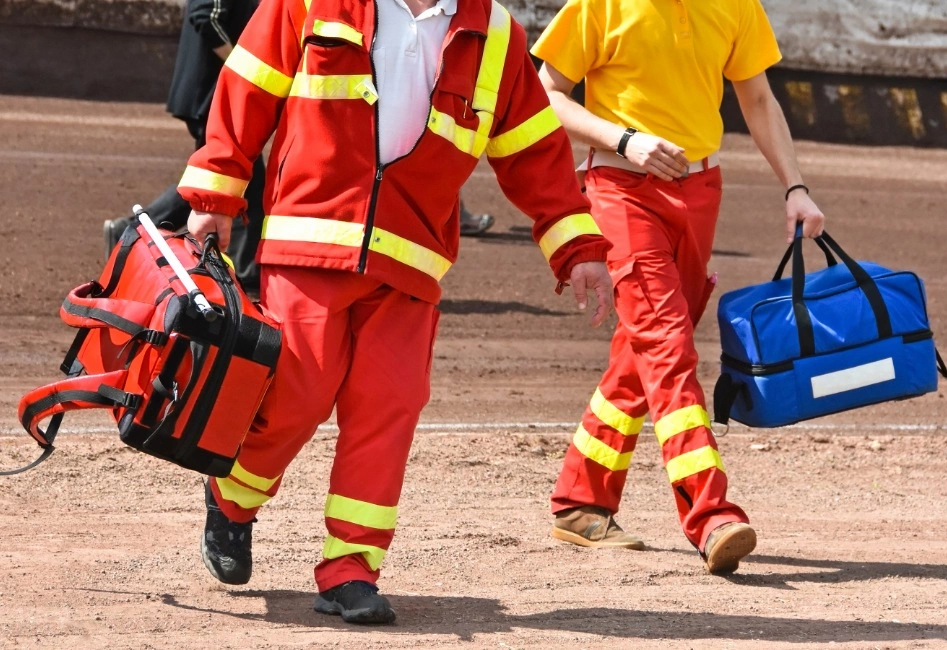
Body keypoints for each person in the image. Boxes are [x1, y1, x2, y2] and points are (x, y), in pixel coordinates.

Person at [178, 0, 614, 625]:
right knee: (297, 392)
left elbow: (533, 150)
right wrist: (216, 187)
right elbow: (247, 84)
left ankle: (350, 568)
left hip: (412, 256)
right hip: (310, 236)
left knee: (391, 403)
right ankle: (233, 499)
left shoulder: (495, 33)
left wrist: (577, 246)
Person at [532, 0, 825, 574]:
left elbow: (759, 99)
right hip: (620, 187)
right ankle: (711, 514)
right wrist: (624, 140)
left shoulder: (737, 7)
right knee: (667, 347)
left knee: (641, 355)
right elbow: (545, 90)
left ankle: (580, 503)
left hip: (700, 191)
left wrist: (796, 186)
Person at [102, 0, 265, 296]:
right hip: (212, 92)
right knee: (224, 176)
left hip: (215, 91)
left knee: (231, 177)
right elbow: (206, 16)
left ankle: (246, 271)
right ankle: (137, 229)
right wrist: (241, 70)